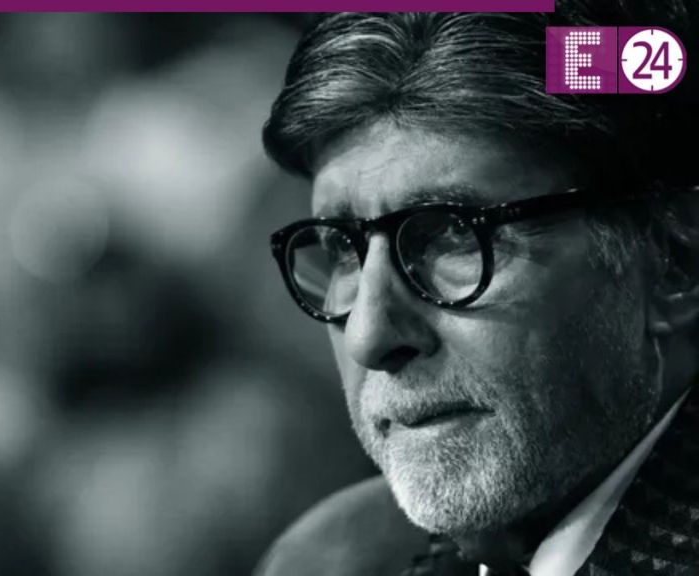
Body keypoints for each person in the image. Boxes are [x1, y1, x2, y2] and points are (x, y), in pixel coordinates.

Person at [255, 4, 699, 575]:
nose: (369, 336)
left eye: (454, 234)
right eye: (343, 247)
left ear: (674, 263)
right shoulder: (336, 557)